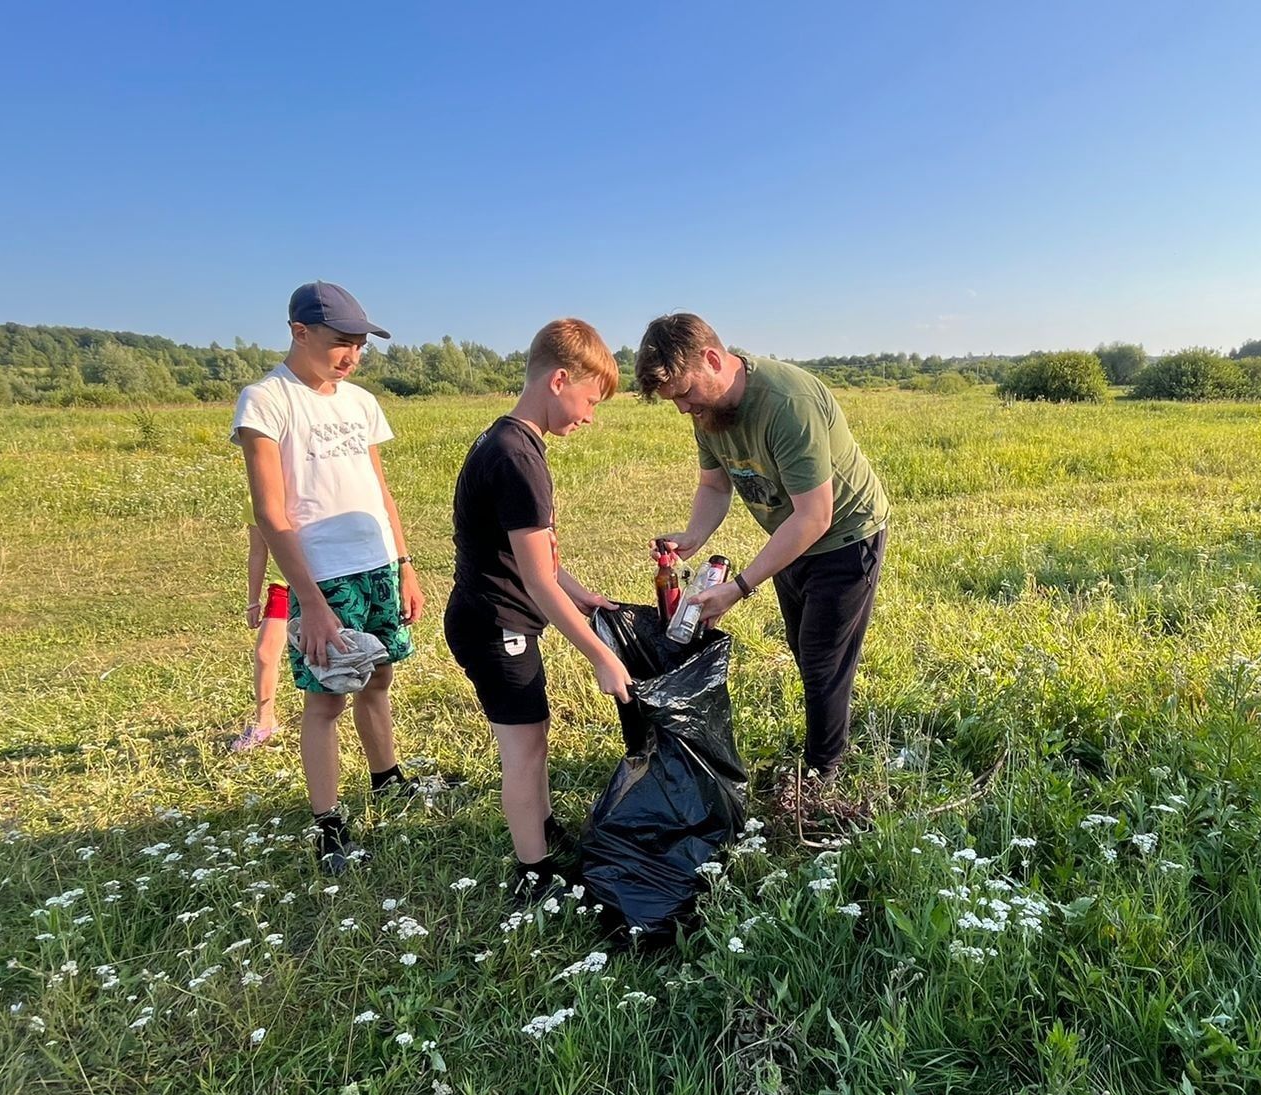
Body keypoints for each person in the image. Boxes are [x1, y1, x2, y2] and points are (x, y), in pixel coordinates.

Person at [636, 313, 889, 820]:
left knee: (822, 661)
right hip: (791, 537)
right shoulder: (708, 416)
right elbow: (714, 486)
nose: (684, 408)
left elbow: (815, 515)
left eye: (685, 393)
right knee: (803, 649)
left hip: (843, 535)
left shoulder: (784, 404)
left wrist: (741, 586)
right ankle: (826, 740)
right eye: (675, 403)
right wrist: (693, 536)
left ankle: (822, 776)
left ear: (712, 359)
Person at [231, 281, 424, 873]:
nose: (353, 356)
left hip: (377, 566)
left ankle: (387, 780)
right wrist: (308, 601)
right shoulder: (266, 401)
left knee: (379, 679)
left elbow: (378, 489)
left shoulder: (360, 402)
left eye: (361, 346)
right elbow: (270, 511)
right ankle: (328, 823)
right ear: (299, 331)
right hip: (321, 577)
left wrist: (405, 562)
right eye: (343, 343)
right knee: (325, 701)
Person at [444, 318, 633, 908]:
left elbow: (541, 560)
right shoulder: (518, 457)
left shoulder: (508, 440)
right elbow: (534, 579)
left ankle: (544, 827)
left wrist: (581, 594)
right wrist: (602, 656)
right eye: (590, 399)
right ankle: (535, 872)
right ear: (559, 380)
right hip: (495, 624)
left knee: (534, 734)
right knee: (523, 749)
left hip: (498, 618)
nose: (590, 415)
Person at [229, 517, 290, 752]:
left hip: (322, 579)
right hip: (283, 585)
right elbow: (257, 552)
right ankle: (265, 722)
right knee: (265, 653)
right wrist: (252, 602)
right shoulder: (255, 497)